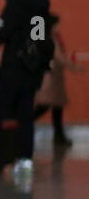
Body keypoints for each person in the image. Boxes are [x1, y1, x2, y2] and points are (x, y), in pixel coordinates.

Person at [0, 0, 52, 177]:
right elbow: (40, 34)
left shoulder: (16, 2)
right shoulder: (42, 1)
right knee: (25, 113)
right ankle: (24, 159)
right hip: (32, 68)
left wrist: (3, 29)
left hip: (13, 67)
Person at [34, 14, 80, 149]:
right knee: (46, 106)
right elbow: (58, 56)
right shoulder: (51, 38)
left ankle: (59, 136)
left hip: (53, 77)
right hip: (51, 79)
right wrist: (74, 67)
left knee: (56, 107)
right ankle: (21, 126)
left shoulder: (49, 37)